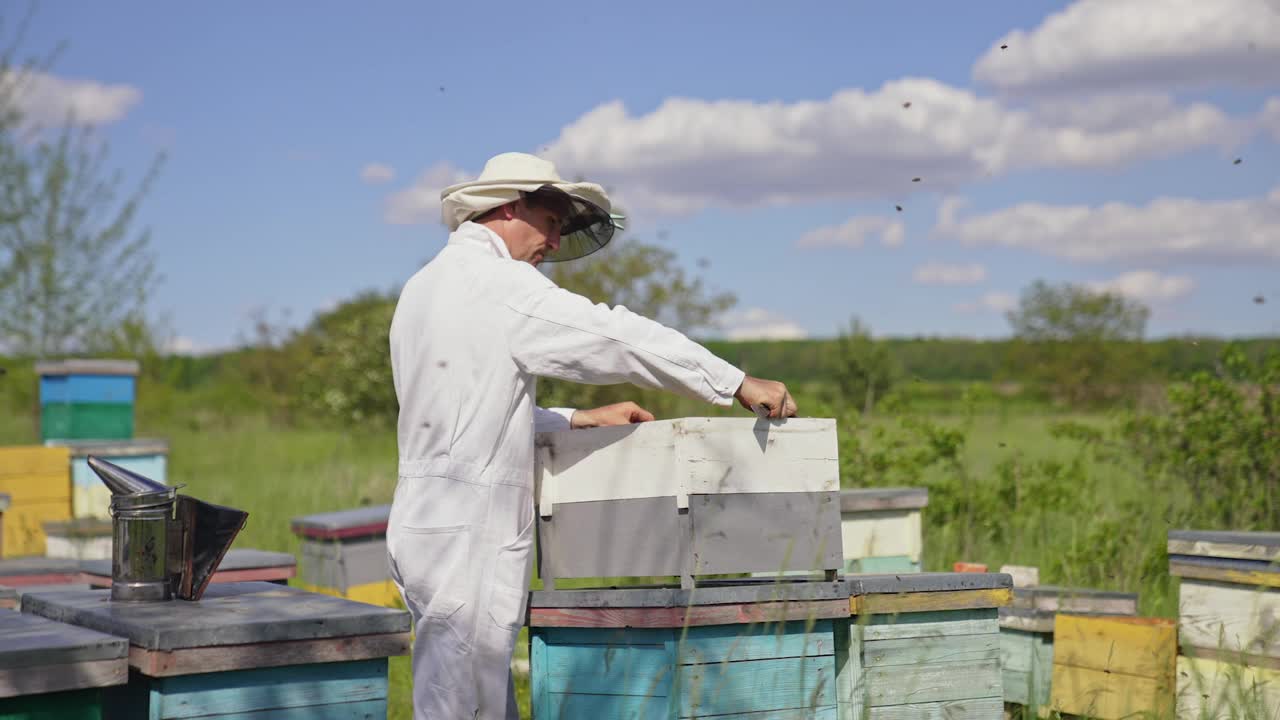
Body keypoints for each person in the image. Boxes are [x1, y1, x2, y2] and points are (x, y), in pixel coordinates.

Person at [387, 151, 797, 719]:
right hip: (468, 527)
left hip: (424, 517)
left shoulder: (425, 285)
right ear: (508, 208)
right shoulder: (498, 283)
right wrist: (732, 380)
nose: (554, 245)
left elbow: (465, 411)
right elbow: (613, 335)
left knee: (468, 697)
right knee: (458, 707)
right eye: (552, 224)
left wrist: (576, 419)